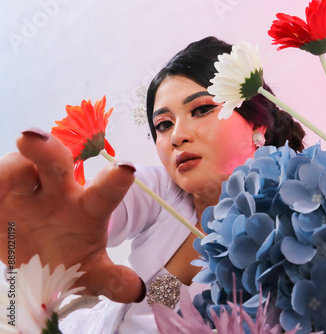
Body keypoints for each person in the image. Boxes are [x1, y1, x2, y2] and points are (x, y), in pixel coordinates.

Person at [0, 36, 305, 333]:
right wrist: (45, 238)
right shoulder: (156, 190)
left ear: (256, 121)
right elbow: (84, 216)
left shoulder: (303, 226)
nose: (177, 136)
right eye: (163, 124)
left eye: (201, 109)